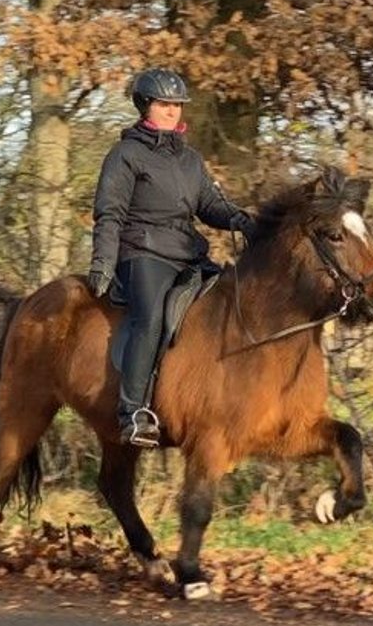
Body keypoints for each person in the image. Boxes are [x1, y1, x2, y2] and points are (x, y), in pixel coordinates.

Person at [87, 67, 256, 447]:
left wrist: (242, 220)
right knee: (150, 316)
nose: (173, 111)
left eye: (178, 105)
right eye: (165, 104)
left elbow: (209, 205)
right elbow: (109, 212)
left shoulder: (190, 159)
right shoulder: (125, 155)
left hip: (187, 253)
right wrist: (102, 262)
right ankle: (132, 413)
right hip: (142, 252)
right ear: (145, 106)